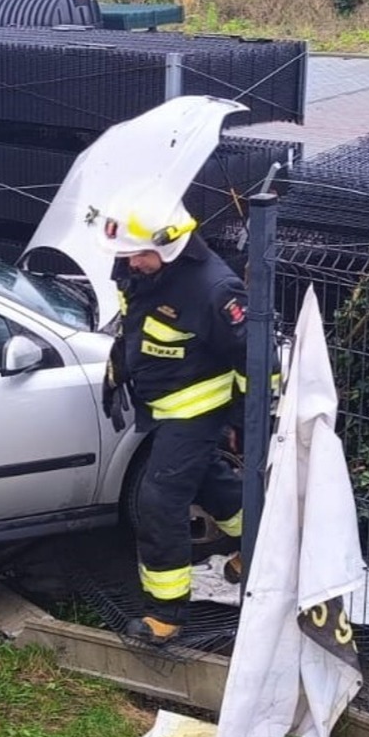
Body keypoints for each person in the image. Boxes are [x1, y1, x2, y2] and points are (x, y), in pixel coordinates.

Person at [99, 190, 251, 646]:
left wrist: (249, 424)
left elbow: (256, 361)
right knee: (210, 482)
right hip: (160, 404)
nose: (128, 264)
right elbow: (133, 324)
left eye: (135, 255)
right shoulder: (141, 270)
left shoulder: (214, 289)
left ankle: (166, 614)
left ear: (166, 244)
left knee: (160, 501)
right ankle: (263, 543)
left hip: (196, 411)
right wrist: (116, 372)